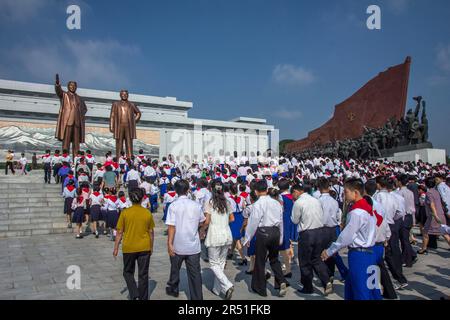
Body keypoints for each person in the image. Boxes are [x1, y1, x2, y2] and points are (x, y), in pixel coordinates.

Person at [321, 178, 382, 300]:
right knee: (371, 288)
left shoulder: (357, 212)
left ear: (356, 192)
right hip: (370, 251)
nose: (344, 195)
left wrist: (329, 251)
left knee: (360, 290)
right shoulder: (369, 209)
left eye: (346, 192)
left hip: (359, 255)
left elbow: (346, 237)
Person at [243, 179, 288, 297]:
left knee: (260, 261)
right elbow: (281, 221)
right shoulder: (276, 202)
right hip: (275, 231)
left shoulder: (258, 204)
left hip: (263, 232)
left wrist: (248, 237)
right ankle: (281, 281)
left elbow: (253, 222)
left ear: (256, 191)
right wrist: (281, 237)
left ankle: (260, 288)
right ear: (267, 190)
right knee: (274, 259)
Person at [165, 179, 205, 300]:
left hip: (178, 244)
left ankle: (174, 288)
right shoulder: (196, 206)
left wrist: (169, 244)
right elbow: (202, 221)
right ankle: (197, 298)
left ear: (176, 191)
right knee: (195, 275)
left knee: (175, 268)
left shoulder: (173, 206)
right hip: (193, 245)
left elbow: (172, 226)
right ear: (188, 190)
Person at [114, 188, 155, 300]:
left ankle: (134, 293)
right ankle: (143, 297)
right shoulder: (147, 213)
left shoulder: (125, 213)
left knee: (127, 272)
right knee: (143, 274)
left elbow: (119, 232)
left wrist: (116, 247)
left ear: (130, 199)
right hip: (144, 247)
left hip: (129, 247)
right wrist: (151, 247)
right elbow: (151, 232)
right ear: (142, 199)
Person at [291, 183, 332, 296]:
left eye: (293, 194)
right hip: (320, 231)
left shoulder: (298, 202)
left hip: (307, 233)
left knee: (304, 261)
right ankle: (326, 280)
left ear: (296, 191)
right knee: (316, 259)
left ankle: (308, 286)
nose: (293, 196)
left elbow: (294, 220)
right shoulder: (315, 200)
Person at [199, 181, 235, 300]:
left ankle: (227, 285)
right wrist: (223, 223)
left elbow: (207, 221)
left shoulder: (209, 203)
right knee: (221, 262)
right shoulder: (227, 202)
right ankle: (217, 289)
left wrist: (202, 229)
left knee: (214, 263)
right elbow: (232, 218)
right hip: (226, 233)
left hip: (214, 234)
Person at [373, 176, 408, 289]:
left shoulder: (377, 196)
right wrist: (392, 218)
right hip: (392, 224)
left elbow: (375, 212)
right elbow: (400, 212)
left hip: (382, 225)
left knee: (387, 254)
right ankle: (398, 276)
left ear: (378, 184)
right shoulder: (394, 196)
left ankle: (398, 278)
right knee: (394, 251)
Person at [317, 177, 345, 282]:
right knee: (332, 253)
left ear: (319, 188)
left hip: (322, 229)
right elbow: (338, 215)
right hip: (333, 228)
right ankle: (331, 274)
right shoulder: (334, 201)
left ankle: (326, 276)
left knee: (322, 253)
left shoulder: (318, 201)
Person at [418, 177, 450, 253]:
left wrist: (435, 216)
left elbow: (432, 204)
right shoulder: (436, 191)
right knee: (444, 233)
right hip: (441, 214)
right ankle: (424, 248)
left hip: (434, 216)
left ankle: (423, 249)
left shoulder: (429, 193)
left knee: (425, 232)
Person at [396, 174, 417, 267]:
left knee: (404, 240)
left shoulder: (399, 193)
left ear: (400, 182)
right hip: (409, 216)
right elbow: (413, 208)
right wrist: (413, 220)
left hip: (403, 217)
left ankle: (408, 259)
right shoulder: (410, 192)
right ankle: (410, 255)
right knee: (405, 239)